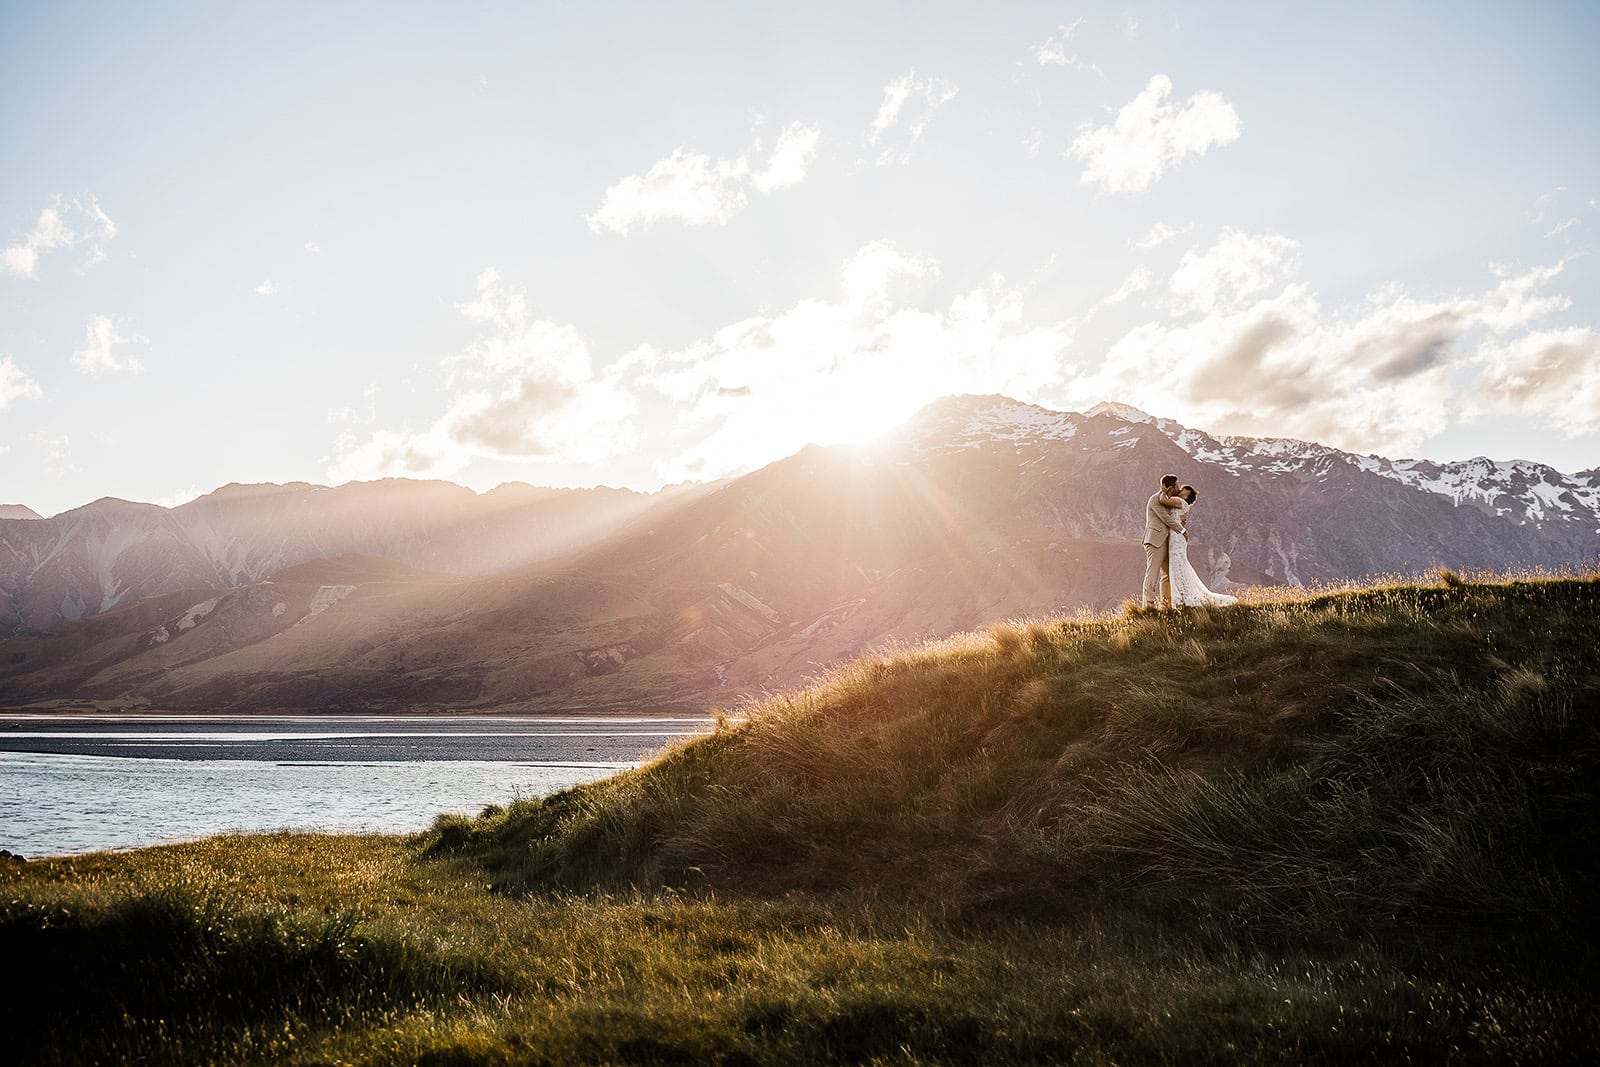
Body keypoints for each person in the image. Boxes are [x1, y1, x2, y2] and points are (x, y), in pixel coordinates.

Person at [1165, 485, 1238, 607]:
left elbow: (1163, 500)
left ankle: (1182, 595)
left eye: (1183, 492)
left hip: (1177, 537)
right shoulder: (1180, 503)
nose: (1180, 491)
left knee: (1178, 563)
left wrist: (1164, 489)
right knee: (1177, 564)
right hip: (1175, 535)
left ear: (1187, 497)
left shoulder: (1181, 502)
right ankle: (1181, 594)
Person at [1141, 475, 1185, 609]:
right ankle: (1148, 607)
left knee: (1168, 575)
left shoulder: (1170, 501)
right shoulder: (1155, 499)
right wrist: (1182, 530)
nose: (1178, 488)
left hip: (1167, 542)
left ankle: (1166, 606)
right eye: (1176, 486)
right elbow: (1165, 518)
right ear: (1169, 487)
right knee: (1152, 573)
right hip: (1155, 542)